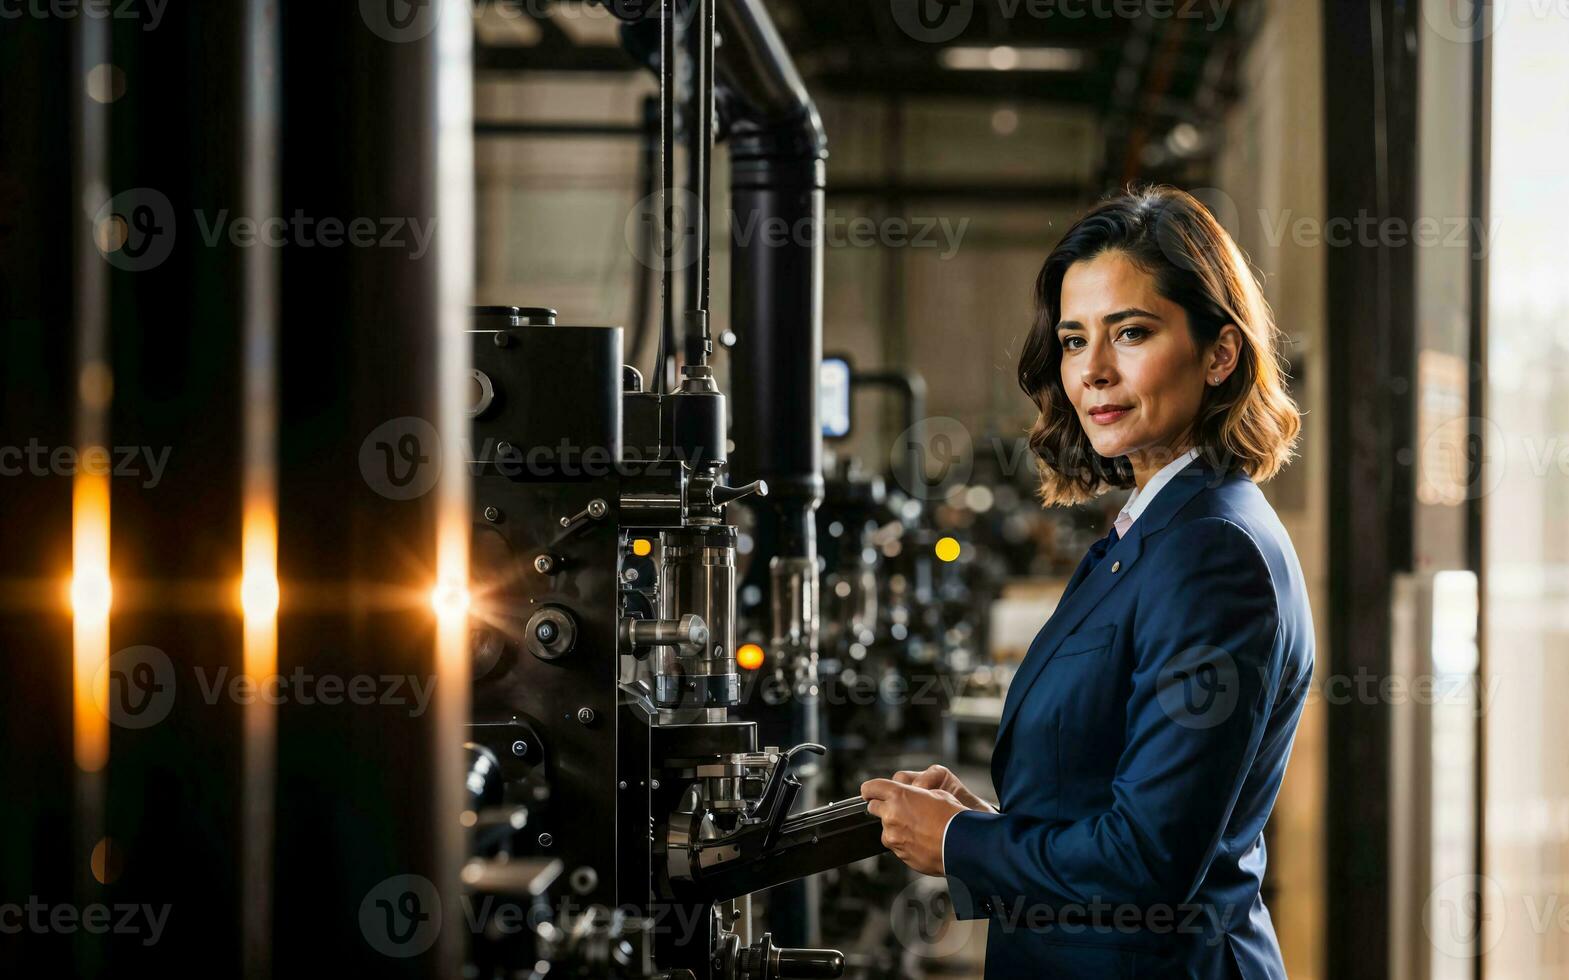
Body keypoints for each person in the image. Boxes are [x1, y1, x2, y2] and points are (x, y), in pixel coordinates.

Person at [861, 186, 1314, 979]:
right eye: (1073, 341)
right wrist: (992, 824)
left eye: (1131, 333)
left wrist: (960, 845)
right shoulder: (1154, 526)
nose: (1093, 371)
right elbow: (1112, 799)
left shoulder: (1212, 551)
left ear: (1219, 353)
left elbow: (1148, 859)